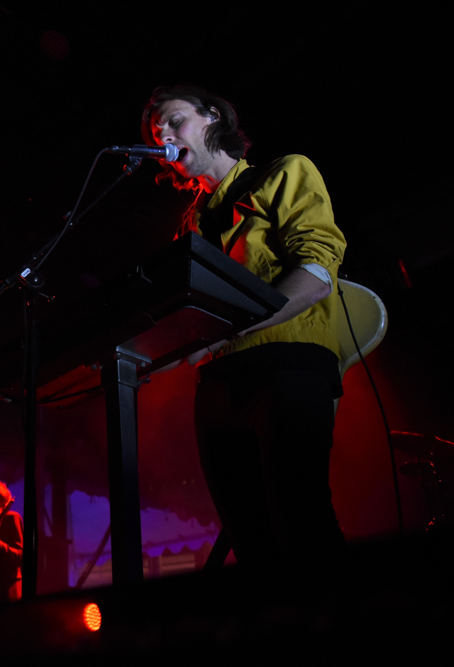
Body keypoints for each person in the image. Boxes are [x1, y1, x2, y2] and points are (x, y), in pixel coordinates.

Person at [142, 85, 347, 567]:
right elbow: (187, 322)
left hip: (288, 363)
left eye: (174, 121)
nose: (163, 136)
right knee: (251, 540)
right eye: (156, 134)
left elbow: (317, 273)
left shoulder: (286, 171)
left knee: (301, 521)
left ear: (213, 117)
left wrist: (232, 330)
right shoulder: (190, 224)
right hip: (218, 385)